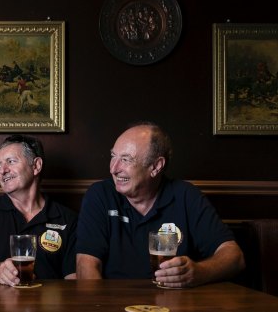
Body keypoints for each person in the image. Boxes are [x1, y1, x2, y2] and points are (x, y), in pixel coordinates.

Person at [76, 121, 245, 288]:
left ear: (156, 166)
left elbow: (235, 257)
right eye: (113, 156)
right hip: (114, 303)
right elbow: (86, 266)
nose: (113, 168)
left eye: (126, 159)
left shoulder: (186, 196)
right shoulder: (100, 195)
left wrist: (199, 272)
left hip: (174, 303)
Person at [0, 134, 77, 286]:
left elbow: (73, 277)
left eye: (11, 161)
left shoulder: (67, 219)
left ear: (36, 166)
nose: (2, 171)